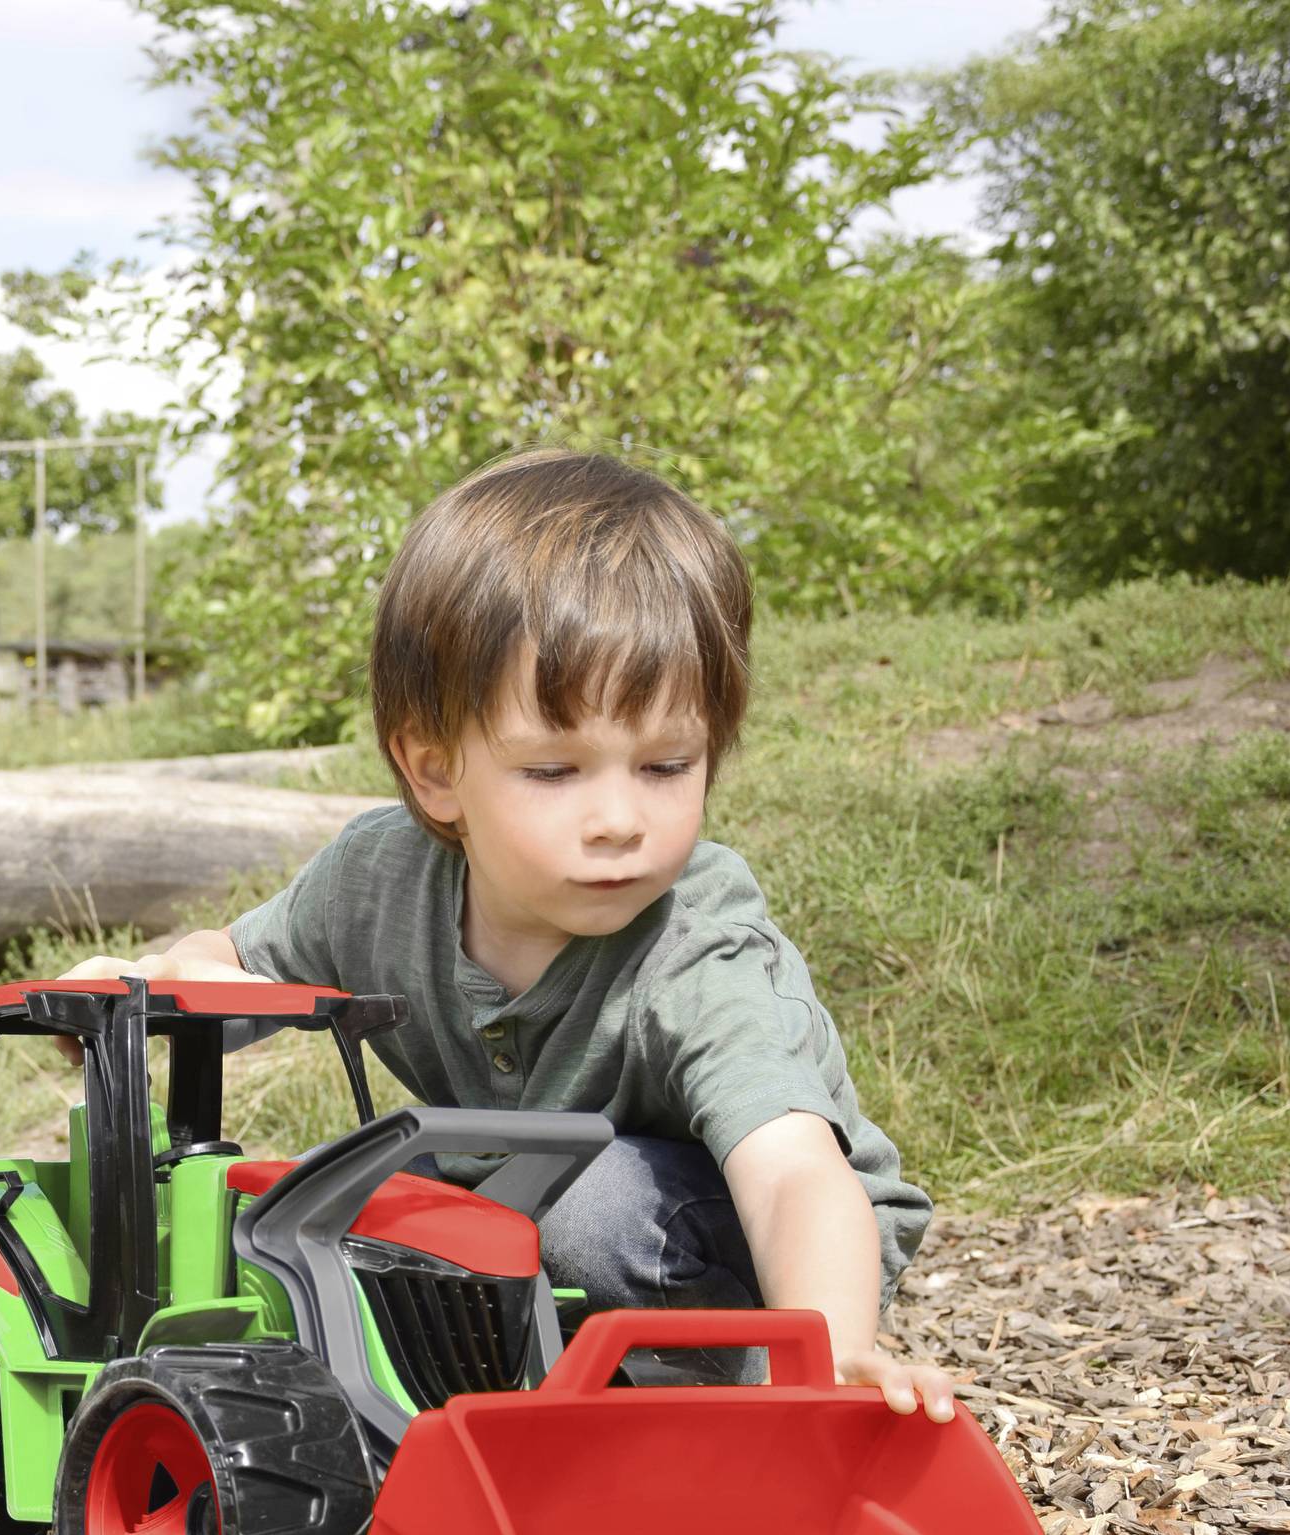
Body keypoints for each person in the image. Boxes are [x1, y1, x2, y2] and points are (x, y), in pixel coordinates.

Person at [68, 449, 956, 1420]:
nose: (619, 817)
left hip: (746, 1233)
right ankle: (459, 1386)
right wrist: (148, 985)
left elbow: (788, 1169)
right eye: (554, 770)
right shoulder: (378, 877)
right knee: (328, 1200)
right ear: (437, 770)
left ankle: (709, 1388)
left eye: (665, 764)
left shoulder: (694, 946)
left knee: (593, 1210)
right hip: (523, 1187)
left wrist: (830, 1349)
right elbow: (239, 972)